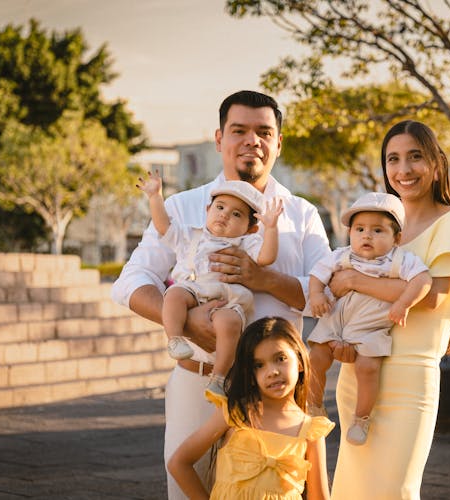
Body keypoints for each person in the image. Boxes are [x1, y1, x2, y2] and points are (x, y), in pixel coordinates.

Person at [110, 90, 331, 499]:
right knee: (186, 487)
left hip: (275, 392)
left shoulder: (301, 214)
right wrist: (188, 323)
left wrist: (263, 278)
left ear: (278, 142)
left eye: (264, 132)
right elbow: (131, 282)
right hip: (200, 382)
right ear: (219, 139)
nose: (253, 141)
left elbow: (327, 295)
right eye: (239, 131)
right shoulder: (183, 206)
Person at [328, 120, 450, 499]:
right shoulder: (376, 226)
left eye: (414, 157)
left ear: (437, 163)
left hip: (410, 381)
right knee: (351, 489)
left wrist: (355, 281)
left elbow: (433, 297)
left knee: (397, 490)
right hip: (357, 376)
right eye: (393, 159)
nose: (403, 170)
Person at [137, 173, 284, 397]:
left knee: (230, 323)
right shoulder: (191, 235)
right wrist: (155, 196)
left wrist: (271, 229)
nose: (224, 216)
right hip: (193, 289)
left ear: (250, 228)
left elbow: (266, 258)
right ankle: (175, 339)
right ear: (208, 210)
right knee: (173, 295)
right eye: (220, 207)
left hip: (227, 297)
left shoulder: (246, 242)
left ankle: (220, 377)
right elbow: (163, 226)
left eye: (236, 214)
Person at [306, 192, 432, 446]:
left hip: (371, 326)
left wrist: (403, 303)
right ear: (349, 233)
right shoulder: (341, 256)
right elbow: (317, 275)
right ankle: (313, 405)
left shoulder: (400, 260)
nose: (366, 236)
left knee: (368, 368)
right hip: (335, 319)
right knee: (316, 357)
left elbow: (423, 280)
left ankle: (361, 419)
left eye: (377, 230)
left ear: (397, 238)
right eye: (360, 229)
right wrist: (317, 294)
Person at [168, 316, 334, 500]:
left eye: (280, 358)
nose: (272, 372)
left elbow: (320, 497)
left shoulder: (311, 431)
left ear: (300, 361)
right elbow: (179, 463)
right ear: (250, 373)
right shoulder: (235, 413)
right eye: (259, 365)